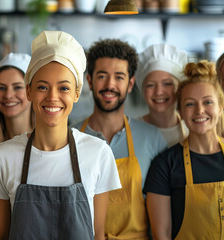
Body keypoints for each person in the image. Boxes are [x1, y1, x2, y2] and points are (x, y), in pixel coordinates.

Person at [0, 31, 121, 240]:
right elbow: (0, 237)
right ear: (29, 92)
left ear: (77, 93)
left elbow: (98, 235)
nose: (53, 97)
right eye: (42, 87)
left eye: (64, 87)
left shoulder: (98, 153)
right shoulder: (2, 156)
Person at [71, 39, 168, 239]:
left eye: (119, 77)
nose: (110, 85)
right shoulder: (69, 135)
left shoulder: (152, 138)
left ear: (130, 84)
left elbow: (162, 218)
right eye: (102, 76)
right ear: (89, 81)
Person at [144, 60, 224, 239]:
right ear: (180, 111)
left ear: (220, 107)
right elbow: (161, 235)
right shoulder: (164, 165)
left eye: (208, 102)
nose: (200, 110)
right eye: (190, 104)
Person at [135, 43, 189, 147]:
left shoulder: (191, 129)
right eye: (151, 85)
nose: (159, 92)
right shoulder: (128, 131)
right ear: (143, 90)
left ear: (179, 88)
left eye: (167, 84)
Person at [0, 52, 34, 146]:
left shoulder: (47, 144)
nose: (8, 95)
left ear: (31, 92)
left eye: (17, 87)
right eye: (1, 88)